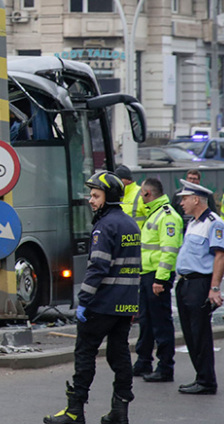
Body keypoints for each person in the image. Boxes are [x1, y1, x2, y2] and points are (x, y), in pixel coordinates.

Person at [45, 170, 140, 424]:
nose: (90, 200)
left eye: (95, 195)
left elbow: (97, 267)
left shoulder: (104, 226)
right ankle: (120, 411)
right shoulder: (130, 223)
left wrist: (83, 302)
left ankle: (74, 411)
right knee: (119, 355)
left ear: (108, 198)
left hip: (102, 304)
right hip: (125, 304)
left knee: (85, 353)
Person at [172, 179, 224, 395]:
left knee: (199, 334)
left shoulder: (214, 223)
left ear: (196, 199)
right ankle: (200, 377)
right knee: (191, 334)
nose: (181, 203)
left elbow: (220, 256)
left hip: (199, 284)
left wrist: (214, 288)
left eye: (184, 198)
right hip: (185, 283)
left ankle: (206, 381)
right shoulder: (193, 222)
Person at [132, 178, 182, 382]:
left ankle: (165, 366)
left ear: (146, 194)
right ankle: (144, 361)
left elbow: (168, 252)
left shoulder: (167, 216)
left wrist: (160, 280)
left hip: (157, 276)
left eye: (141, 194)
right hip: (148, 275)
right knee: (146, 320)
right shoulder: (155, 212)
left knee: (161, 323)